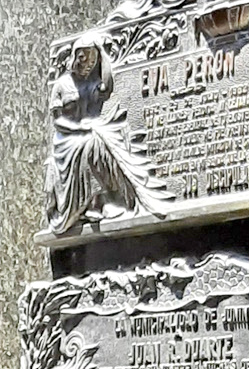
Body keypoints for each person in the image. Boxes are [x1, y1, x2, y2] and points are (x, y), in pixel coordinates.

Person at [45, 33, 172, 238]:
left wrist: (103, 53)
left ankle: (106, 199)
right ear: (75, 57)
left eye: (91, 60)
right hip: (66, 138)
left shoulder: (88, 84)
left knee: (100, 142)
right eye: (83, 58)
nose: (86, 64)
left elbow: (106, 86)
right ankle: (87, 205)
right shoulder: (61, 85)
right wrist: (79, 129)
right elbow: (57, 121)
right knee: (88, 144)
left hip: (87, 131)